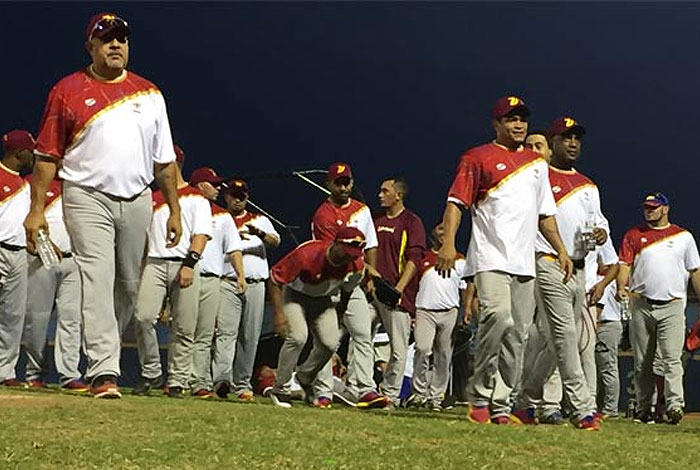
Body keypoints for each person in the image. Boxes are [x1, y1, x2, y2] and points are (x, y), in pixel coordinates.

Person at [24, 13, 182, 398]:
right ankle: (104, 369)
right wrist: (37, 209)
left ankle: (104, 353)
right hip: (85, 195)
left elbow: (164, 162)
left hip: (138, 197)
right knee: (96, 275)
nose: (115, 45)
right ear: (90, 46)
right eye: (107, 38)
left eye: (121, 39)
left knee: (128, 285)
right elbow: (47, 156)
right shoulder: (67, 89)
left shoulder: (150, 94)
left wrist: (175, 210)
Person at [436, 97, 573, 425]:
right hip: (490, 256)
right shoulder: (476, 157)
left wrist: (561, 249)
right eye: (510, 119)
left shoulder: (536, 163)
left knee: (517, 336)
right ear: (496, 124)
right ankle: (479, 393)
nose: (519, 124)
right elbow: (456, 203)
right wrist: (448, 243)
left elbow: (545, 215)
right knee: (497, 316)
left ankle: (500, 404)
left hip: (524, 262)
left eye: (522, 119)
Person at [511, 116, 607, 430]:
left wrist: (602, 233)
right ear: (552, 144)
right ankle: (582, 408)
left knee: (555, 342)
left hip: (579, 267)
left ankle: (524, 401)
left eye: (576, 138)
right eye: (566, 138)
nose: (573, 143)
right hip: (549, 263)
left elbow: (599, 222)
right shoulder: (537, 177)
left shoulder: (588, 185)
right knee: (565, 336)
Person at [133, 152, 212, 398]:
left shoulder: (196, 197)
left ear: (174, 164)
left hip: (184, 262)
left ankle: (177, 380)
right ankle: (151, 372)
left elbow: (201, 235)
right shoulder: (152, 198)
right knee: (143, 317)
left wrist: (190, 263)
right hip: (155, 262)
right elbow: (144, 238)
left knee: (184, 326)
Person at [617, 192, 700, 425]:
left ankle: (675, 406)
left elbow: (695, 270)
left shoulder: (683, 237)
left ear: (665, 209)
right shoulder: (634, 235)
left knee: (672, 358)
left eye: (653, 207)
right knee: (642, 361)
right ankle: (644, 408)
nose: (649, 211)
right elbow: (625, 264)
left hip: (672, 305)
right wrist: (622, 286)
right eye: (647, 207)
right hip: (641, 304)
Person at [310, 163, 388, 409]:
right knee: (326, 339)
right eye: (339, 183)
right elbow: (333, 255)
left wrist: (369, 278)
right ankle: (323, 391)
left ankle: (365, 388)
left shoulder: (362, 210)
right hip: (328, 282)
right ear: (329, 184)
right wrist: (366, 270)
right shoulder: (322, 215)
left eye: (347, 182)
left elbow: (371, 245)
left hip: (354, 281)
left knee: (363, 333)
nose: (343, 187)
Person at [267, 227, 367, 408]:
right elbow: (274, 279)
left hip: (323, 299)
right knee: (297, 337)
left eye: (353, 255)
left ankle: (304, 376)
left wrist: (340, 311)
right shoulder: (307, 253)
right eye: (346, 253)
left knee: (330, 343)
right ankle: (281, 388)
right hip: (295, 296)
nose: (348, 258)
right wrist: (279, 314)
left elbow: (347, 290)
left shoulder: (357, 265)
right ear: (336, 244)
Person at [212, 179, 280, 400]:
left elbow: (275, 241)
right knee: (226, 333)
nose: (238, 200)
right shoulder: (220, 219)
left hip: (255, 283)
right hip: (227, 281)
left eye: (241, 196)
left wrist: (259, 234)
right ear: (227, 197)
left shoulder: (259, 219)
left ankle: (242, 383)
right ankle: (221, 380)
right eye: (234, 195)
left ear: (247, 197)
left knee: (249, 336)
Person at [22, 178, 89, 391]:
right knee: (37, 318)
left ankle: (69, 374)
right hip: (42, 258)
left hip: (74, 259)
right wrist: (43, 244)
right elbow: (24, 220)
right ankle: (34, 373)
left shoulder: (80, 185)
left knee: (72, 319)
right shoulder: (33, 183)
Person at [186, 165, 245, 398]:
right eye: (214, 184)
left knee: (204, 334)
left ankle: (199, 381)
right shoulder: (185, 207)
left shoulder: (222, 215)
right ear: (201, 185)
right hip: (187, 274)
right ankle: (178, 379)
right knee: (183, 331)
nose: (219, 188)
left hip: (211, 278)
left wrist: (240, 274)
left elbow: (234, 248)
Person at [371, 176, 426, 408]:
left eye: (385, 191)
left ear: (398, 195)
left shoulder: (412, 222)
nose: (380, 195)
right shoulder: (375, 221)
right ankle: (360, 389)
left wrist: (398, 290)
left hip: (397, 296)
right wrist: (371, 279)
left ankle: (390, 395)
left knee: (398, 349)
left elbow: (414, 259)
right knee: (360, 338)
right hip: (372, 291)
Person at [406, 222, 466, 410]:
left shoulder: (459, 260)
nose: (443, 232)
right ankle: (418, 393)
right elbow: (413, 286)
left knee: (443, 355)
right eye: (440, 228)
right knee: (422, 349)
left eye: (446, 229)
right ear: (433, 233)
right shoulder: (423, 258)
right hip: (424, 311)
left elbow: (465, 287)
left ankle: (436, 396)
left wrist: (466, 311)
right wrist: (412, 312)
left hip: (449, 312)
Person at [0, 130, 35, 386]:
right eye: (31, 151)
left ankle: (6, 372)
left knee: (13, 317)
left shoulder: (25, 184)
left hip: (20, 253)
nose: (33, 156)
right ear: (20, 152)